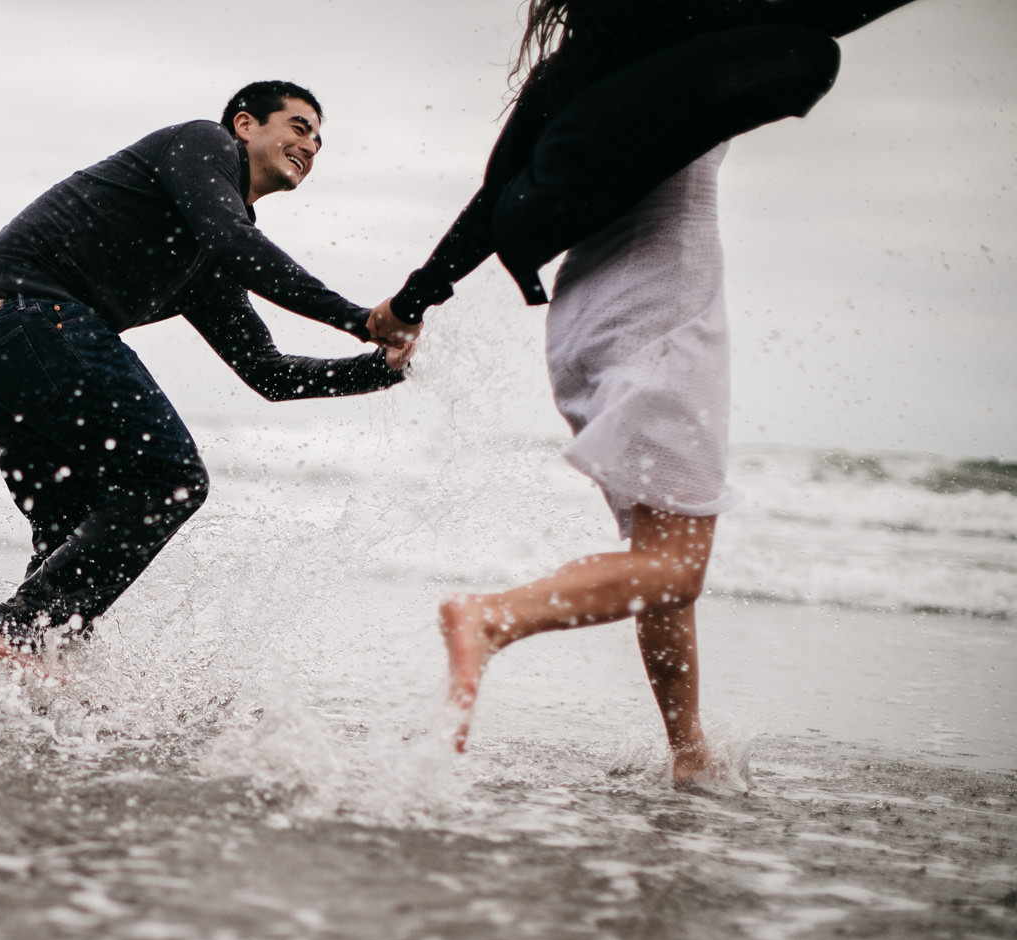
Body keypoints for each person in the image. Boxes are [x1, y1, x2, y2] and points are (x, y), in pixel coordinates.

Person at [365, 0, 919, 784]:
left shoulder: (574, 69)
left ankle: (689, 755)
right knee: (677, 568)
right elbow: (826, 11)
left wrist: (412, 299)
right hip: (666, 315)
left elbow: (492, 204)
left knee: (659, 564)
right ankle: (493, 618)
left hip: (584, 319)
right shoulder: (693, 25)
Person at [0, 81, 413, 668]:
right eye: (298, 126)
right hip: (29, 317)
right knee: (172, 478)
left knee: (71, 530)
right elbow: (234, 240)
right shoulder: (202, 142)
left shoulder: (206, 252)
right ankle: (16, 631)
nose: (312, 145)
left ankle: (32, 692)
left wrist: (389, 369)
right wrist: (359, 318)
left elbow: (268, 373)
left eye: (319, 138)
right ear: (246, 125)